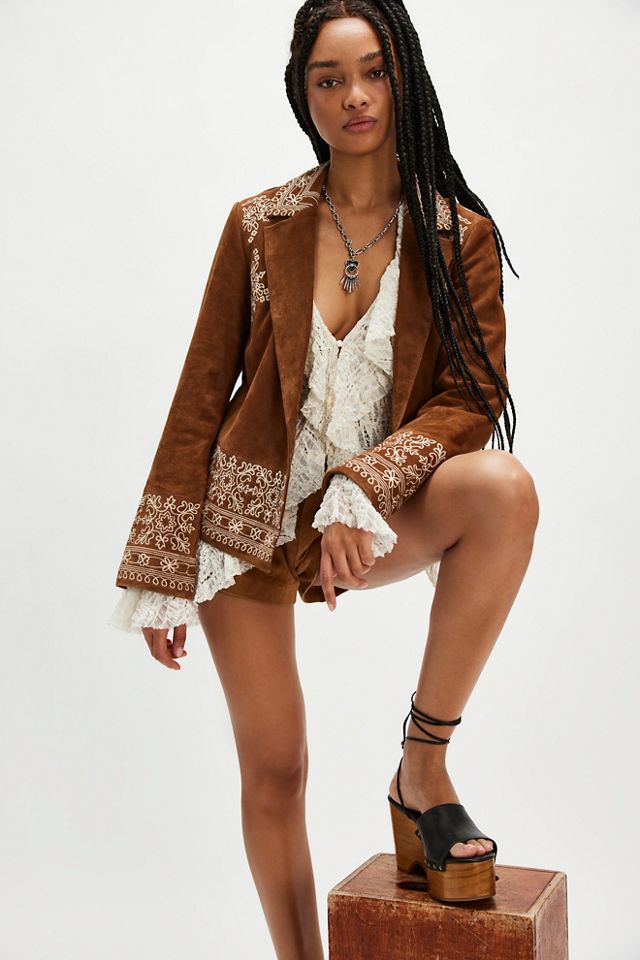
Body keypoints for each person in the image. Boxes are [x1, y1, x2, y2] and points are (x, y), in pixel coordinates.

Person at [110, 0, 539, 955]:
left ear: (403, 77)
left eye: (374, 71)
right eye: (329, 78)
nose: (355, 96)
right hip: (247, 522)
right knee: (276, 771)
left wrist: (363, 483)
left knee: (504, 489)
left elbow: (473, 396)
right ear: (303, 96)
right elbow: (199, 395)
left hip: (372, 515)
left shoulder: (457, 236)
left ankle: (422, 767)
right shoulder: (257, 225)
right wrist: (160, 569)